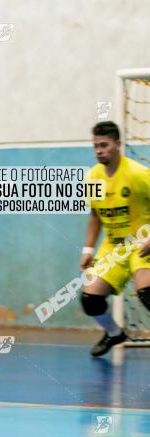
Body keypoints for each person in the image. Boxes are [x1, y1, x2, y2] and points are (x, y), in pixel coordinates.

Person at [80, 121, 150, 356]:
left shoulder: (138, 174)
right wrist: (88, 250)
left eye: (104, 145)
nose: (99, 150)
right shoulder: (92, 177)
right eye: (95, 146)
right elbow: (95, 217)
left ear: (118, 145)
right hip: (113, 248)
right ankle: (113, 333)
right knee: (90, 299)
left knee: (147, 293)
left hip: (142, 243)